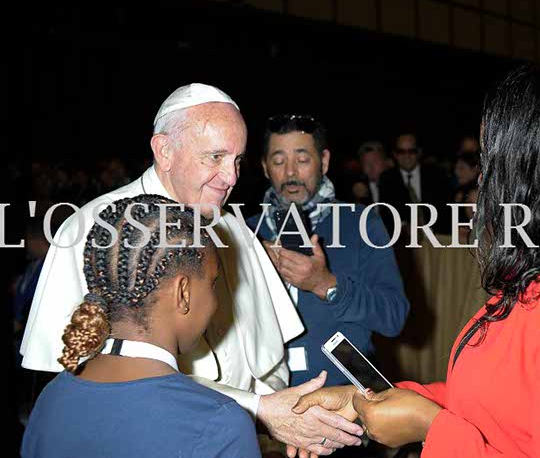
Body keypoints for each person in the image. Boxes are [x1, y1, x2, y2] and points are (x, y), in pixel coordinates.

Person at [292, 64, 540, 457]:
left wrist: (432, 428)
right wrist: (383, 402)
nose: (483, 180)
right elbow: (500, 403)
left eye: (491, 159)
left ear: (539, 170)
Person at [20, 84, 363, 456]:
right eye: (215, 157)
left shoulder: (233, 228)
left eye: (237, 160)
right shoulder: (96, 230)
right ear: (164, 151)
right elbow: (95, 384)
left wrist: (286, 419)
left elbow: (269, 359)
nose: (231, 177)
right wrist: (260, 413)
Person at [22, 194, 261, 458]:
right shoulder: (219, 423)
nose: (216, 302)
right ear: (183, 292)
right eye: (213, 283)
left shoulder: (51, 399)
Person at [248, 114, 410, 387]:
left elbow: (394, 317)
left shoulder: (360, 222)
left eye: (302, 160)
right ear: (265, 167)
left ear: (323, 161)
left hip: (347, 394)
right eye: (278, 161)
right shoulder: (246, 232)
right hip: (270, 399)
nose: (290, 172)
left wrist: (326, 285)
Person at [378, 133, 450, 233]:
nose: (407, 156)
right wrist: (404, 227)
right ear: (395, 154)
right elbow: (386, 214)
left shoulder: (436, 175)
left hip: (437, 237)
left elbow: (446, 210)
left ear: (419, 152)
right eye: (401, 152)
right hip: (403, 241)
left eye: (411, 151)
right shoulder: (387, 179)